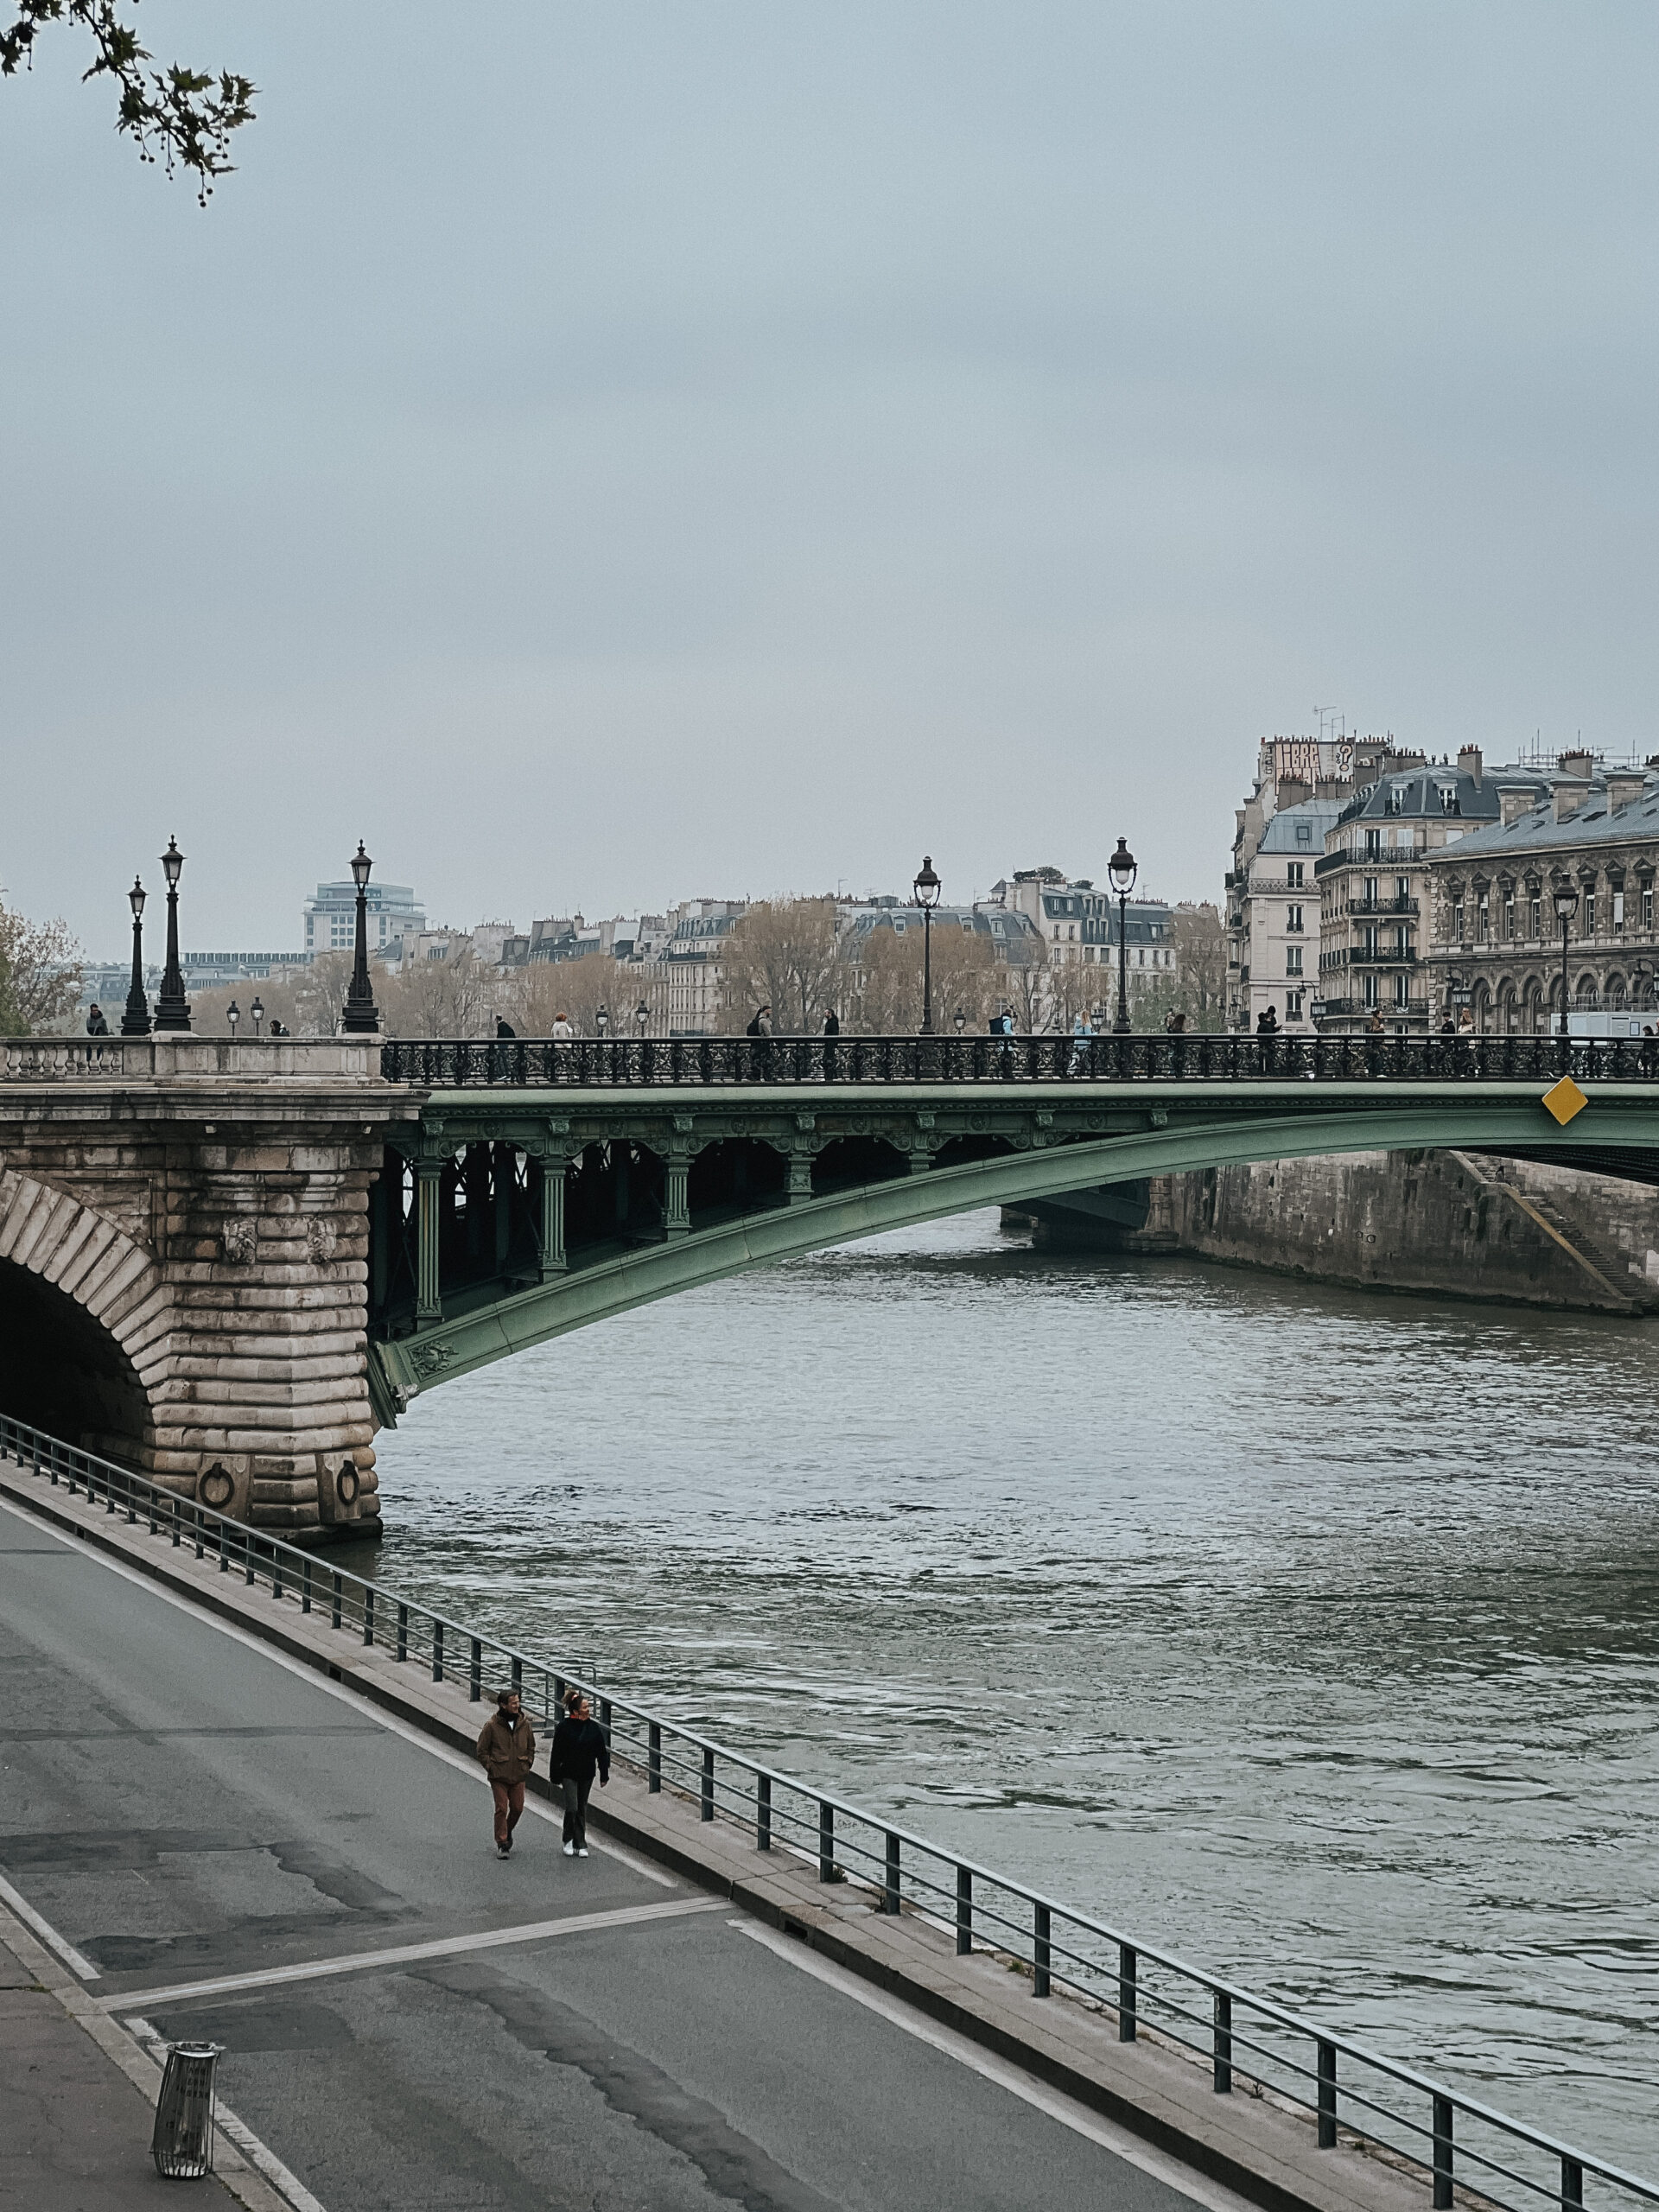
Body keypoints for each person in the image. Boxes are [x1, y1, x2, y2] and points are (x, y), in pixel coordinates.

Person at [474, 1688, 537, 1859]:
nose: (517, 1706)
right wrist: (491, 1767)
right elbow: (482, 1750)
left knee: (517, 1808)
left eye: (518, 1702)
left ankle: (507, 1830)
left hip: (518, 1774)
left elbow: (531, 1746)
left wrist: (527, 1763)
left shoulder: (525, 1725)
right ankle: (502, 1843)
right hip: (499, 1775)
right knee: (501, 1808)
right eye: (513, 1703)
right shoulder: (492, 1726)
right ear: (503, 1705)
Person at [550, 1687, 610, 1858]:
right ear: (575, 1710)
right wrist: (555, 1775)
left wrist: (604, 1774)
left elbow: (601, 1752)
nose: (588, 1710)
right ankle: (568, 1838)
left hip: (587, 1774)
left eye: (588, 1707)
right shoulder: (563, 1728)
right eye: (585, 1707)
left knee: (582, 1808)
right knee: (572, 1807)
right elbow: (556, 1753)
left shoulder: (593, 1728)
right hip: (568, 1773)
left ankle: (580, 1842)